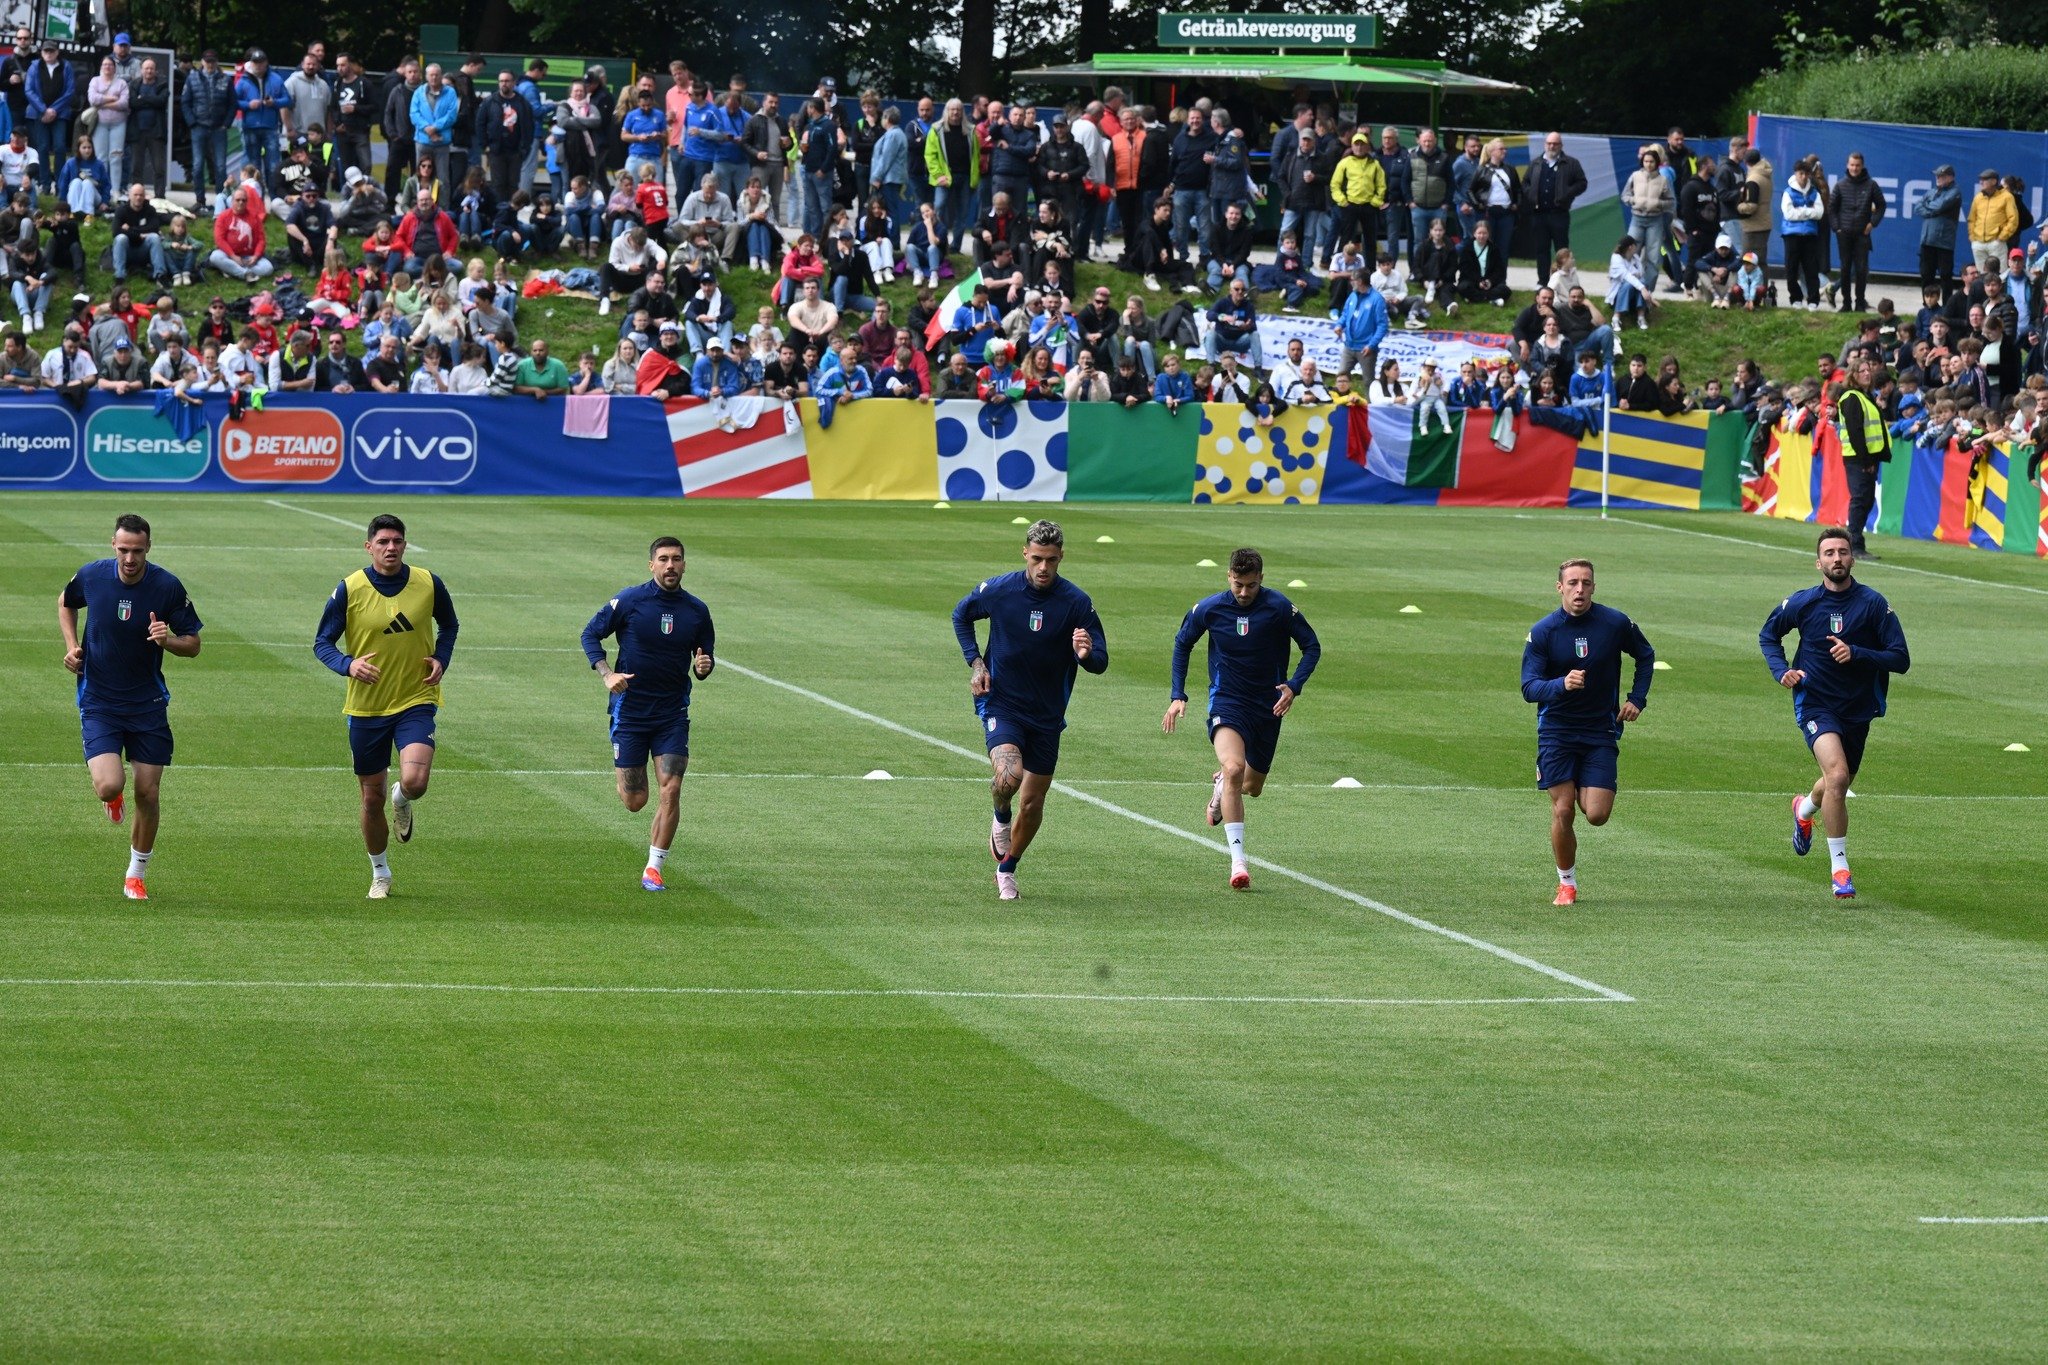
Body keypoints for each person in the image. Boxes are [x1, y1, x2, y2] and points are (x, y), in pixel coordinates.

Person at [950, 520, 1109, 901]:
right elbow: (961, 615)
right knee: (1008, 777)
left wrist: (1085, 655)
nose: (1043, 568)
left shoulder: (1076, 603)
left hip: (1047, 714)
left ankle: (1007, 868)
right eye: (1037, 559)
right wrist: (976, 663)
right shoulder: (1000, 590)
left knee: (1034, 802)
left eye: (1051, 560)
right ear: (1025, 553)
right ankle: (1000, 815)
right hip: (1001, 701)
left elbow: (1101, 660)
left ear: (1061, 558)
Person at [1760, 528, 1911, 901]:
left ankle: (1803, 808)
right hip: (1815, 703)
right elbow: (1768, 636)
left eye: (1843, 552)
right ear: (1819, 562)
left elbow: (1901, 659)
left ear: (1852, 559)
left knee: (1833, 784)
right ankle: (1839, 869)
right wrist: (1782, 671)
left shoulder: (1874, 605)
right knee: (1839, 775)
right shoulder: (1804, 603)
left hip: (1858, 709)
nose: (1837, 558)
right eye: (1829, 553)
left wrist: (1858, 653)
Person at [57, 513, 203, 900]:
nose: (130, 558)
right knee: (108, 786)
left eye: (137, 550)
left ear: (148, 549)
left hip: (147, 705)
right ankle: (113, 797)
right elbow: (65, 602)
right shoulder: (91, 576)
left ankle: (136, 873)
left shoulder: (167, 586)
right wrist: (72, 645)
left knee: (149, 794)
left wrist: (167, 640)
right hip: (100, 700)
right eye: (123, 549)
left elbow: (193, 644)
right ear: (113, 545)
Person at [312, 514, 458, 899]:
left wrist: (441, 657)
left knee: (415, 781)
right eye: (382, 542)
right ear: (369, 546)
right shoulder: (350, 588)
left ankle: (403, 798)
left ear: (405, 545)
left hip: (415, 699)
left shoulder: (428, 583)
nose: (390, 548)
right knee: (370, 799)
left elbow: (450, 625)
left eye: (397, 541)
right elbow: (322, 643)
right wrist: (349, 664)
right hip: (366, 709)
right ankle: (381, 872)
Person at [1163, 547, 1320, 890]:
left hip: (1268, 708)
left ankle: (1220, 787)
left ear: (1261, 579)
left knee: (1251, 786)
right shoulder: (1210, 608)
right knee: (1234, 768)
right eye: (1238, 585)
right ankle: (1238, 863)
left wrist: (1294, 686)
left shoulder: (1279, 607)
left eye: (1250, 585)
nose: (1244, 592)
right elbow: (1182, 642)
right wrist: (1178, 695)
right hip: (1228, 703)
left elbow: (1312, 646)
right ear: (1228, 578)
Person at [578, 535, 715, 892]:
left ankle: (654, 868)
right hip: (631, 713)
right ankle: (627, 776)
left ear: (685, 565)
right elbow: (590, 634)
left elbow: (704, 660)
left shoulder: (697, 611)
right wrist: (608, 674)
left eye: (677, 559)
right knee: (635, 800)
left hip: (672, 713)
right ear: (651, 565)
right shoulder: (629, 601)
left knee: (671, 789)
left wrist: (703, 666)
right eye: (664, 559)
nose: (671, 565)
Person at [1520, 558, 1655, 906]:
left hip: (1600, 729)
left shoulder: (1615, 623)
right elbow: (1529, 687)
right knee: (1563, 810)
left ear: (1594, 587)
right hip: (1557, 732)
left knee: (1596, 814)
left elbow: (1645, 655)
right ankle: (1567, 883)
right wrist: (1561, 684)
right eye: (1573, 583)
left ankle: (1582, 782)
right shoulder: (1544, 631)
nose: (1580, 589)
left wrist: (1637, 699)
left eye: (1586, 583)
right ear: (1559, 587)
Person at [1836, 355, 1889, 558]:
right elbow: (1856, 431)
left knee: (1865, 500)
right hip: (1858, 458)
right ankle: (1854, 544)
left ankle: (1854, 541)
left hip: (1866, 458)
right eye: (1862, 371)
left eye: (1869, 370)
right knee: (1860, 499)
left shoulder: (1864, 396)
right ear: (1853, 375)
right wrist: (1866, 460)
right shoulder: (1851, 397)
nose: (1867, 374)